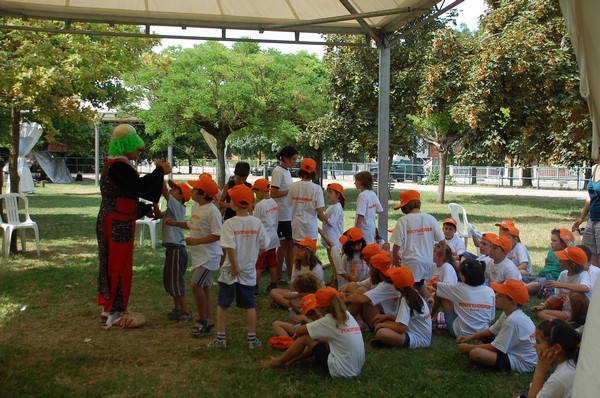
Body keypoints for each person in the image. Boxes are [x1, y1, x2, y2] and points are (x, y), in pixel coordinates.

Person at [96, 124, 171, 326]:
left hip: (119, 220)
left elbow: (127, 195)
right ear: (126, 145)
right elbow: (141, 188)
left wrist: (144, 209)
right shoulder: (118, 167)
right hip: (116, 223)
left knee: (118, 266)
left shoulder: (118, 166)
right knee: (117, 267)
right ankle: (114, 312)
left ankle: (112, 309)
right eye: (136, 145)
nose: (140, 149)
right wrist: (159, 171)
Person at [208, 184, 268, 349]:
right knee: (250, 305)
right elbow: (263, 245)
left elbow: (230, 246)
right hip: (248, 270)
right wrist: (253, 257)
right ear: (250, 204)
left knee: (223, 304)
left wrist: (234, 266)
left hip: (230, 270)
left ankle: (221, 339)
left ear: (232, 203)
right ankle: (252, 339)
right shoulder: (256, 222)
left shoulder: (229, 223)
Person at [261, 286, 365, 378]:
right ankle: (289, 361)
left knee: (306, 337)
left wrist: (303, 325)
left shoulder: (328, 320)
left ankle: (278, 362)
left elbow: (301, 331)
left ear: (322, 307)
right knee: (314, 338)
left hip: (342, 372)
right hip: (356, 369)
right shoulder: (347, 315)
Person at [165, 174, 221, 336]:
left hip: (209, 257)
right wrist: (175, 223)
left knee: (196, 284)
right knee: (205, 287)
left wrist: (197, 242)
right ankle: (209, 320)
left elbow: (218, 235)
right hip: (199, 255)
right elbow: (192, 224)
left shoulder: (212, 211)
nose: (192, 191)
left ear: (203, 194)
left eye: (195, 189)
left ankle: (201, 319)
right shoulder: (196, 207)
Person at [456, 279, 537, 373]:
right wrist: (468, 338)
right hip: (511, 349)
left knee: (475, 353)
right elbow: (491, 331)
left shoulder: (512, 321)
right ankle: (484, 359)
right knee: (483, 338)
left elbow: (494, 348)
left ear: (513, 303)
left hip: (521, 361)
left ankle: (484, 362)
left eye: (501, 295)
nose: (495, 296)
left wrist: (467, 348)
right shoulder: (508, 313)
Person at [389, 190, 444, 298]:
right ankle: (427, 302)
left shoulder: (403, 221)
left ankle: (410, 310)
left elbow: (397, 244)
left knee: (406, 288)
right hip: (427, 262)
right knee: (419, 284)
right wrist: (440, 251)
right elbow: (442, 241)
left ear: (406, 206)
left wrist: (395, 256)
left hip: (410, 262)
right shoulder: (430, 219)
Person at [371, 266, 432, 349]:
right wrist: (386, 317)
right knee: (381, 324)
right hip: (417, 333)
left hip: (419, 339)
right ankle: (391, 341)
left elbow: (400, 328)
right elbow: (405, 320)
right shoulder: (414, 294)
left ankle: (392, 343)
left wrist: (383, 325)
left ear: (396, 285)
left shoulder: (406, 299)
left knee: (381, 333)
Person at [435, 259, 496, 337]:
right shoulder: (490, 291)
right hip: (482, 333)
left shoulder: (459, 287)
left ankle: (429, 318)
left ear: (464, 276)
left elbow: (436, 286)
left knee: (443, 295)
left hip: (460, 333)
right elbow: (491, 318)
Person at [532, 246, 591, 326]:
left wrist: (560, 284)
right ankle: (563, 324)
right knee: (539, 313)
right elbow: (557, 295)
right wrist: (543, 305)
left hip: (582, 310)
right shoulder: (563, 274)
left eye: (562, 259)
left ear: (572, 263)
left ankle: (572, 319)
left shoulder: (583, 274)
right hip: (567, 311)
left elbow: (585, 288)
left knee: (575, 294)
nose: (559, 260)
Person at [161, 180, 193, 321]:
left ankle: (186, 310)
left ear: (181, 196)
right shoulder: (173, 208)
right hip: (172, 249)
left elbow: (164, 191)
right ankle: (178, 308)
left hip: (176, 250)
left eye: (175, 189)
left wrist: (160, 171)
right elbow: (158, 214)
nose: (171, 189)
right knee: (170, 280)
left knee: (175, 281)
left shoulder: (177, 206)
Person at [345, 252, 400, 330]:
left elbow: (362, 299)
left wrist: (344, 297)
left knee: (363, 294)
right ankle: (357, 317)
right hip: (379, 313)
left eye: (369, 266)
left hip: (382, 317)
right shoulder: (380, 279)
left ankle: (343, 317)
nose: (368, 269)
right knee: (360, 290)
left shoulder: (387, 285)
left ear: (375, 270)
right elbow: (352, 286)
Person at [527, 320, 581, 398]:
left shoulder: (560, 378)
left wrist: (540, 371)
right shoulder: (574, 362)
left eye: (538, 342)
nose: (534, 346)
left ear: (556, 348)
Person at [270, 238, 325, 309]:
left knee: (311, 299)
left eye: (302, 249)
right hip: (299, 293)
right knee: (273, 292)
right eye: (298, 248)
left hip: (314, 294)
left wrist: (297, 295)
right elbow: (293, 286)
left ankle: (293, 306)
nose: (298, 250)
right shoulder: (296, 265)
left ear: (309, 252)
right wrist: (297, 294)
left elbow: (317, 290)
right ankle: (296, 307)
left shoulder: (316, 268)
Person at [271, 146, 299, 283]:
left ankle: (290, 274)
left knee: (290, 244)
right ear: (286, 158)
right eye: (293, 159)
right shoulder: (278, 171)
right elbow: (273, 193)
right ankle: (278, 276)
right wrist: (290, 191)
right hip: (281, 214)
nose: (294, 162)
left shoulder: (287, 171)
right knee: (283, 245)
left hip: (289, 213)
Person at [252, 178, 280, 293]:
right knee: (272, 261)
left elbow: (256, 222)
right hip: (273, 235)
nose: (255, 194)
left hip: (263, 238)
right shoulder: (273, 202)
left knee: (257, 264)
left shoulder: (260, 205)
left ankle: (255, 287)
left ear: (262, 191)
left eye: (256, 192)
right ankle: (274, 283)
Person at [289, 158, 327, 241]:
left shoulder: (293, 186)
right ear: (313, 172)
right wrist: (327, 220)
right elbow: (320, 211)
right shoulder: (317, 189)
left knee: (296, 252)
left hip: (296, 227)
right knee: (310, 253)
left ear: (301, 170)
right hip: (310, 228)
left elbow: (290, 203)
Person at [573, 161, 600, 267]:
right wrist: (581, 218)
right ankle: (593, 282)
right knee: (588, 256)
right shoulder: (595, 168)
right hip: (592, 220)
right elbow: (590, 197)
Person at [321, 183, 345, 286]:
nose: (328, 194)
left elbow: (331, 223)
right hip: (329, 238)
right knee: (332, 261)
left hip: (333, 239)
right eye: (328, 191)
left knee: (335, 262)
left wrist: (321, 214)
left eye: (330, 192)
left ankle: (336, 281)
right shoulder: (332, 206)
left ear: (338, 194)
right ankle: (333, 279)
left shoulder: (337, 207)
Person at [353, 171, 383, 245]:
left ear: (362, 182)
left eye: (356, 180)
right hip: (371, 227)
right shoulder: (372, 193)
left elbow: (361, 215)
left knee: (364, 249)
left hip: (363, 229)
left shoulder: (362, 196)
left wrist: (356, 232)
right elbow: (379, 209)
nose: (354, 183)